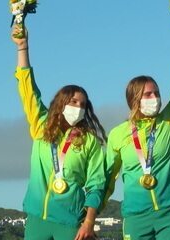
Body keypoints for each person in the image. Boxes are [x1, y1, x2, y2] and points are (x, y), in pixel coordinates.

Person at [104, 15, 170, 240]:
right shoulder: (119, 134)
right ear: (134, 99)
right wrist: (91, 215)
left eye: (157, 93)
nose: (155, 98)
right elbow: (107, 178)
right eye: (148, 94)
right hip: (135, 216)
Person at [11, 25, 107, 240]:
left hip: (70, 222)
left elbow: (96, 185)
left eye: (83, 104)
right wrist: (22, 48)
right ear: (62, 103)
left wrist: (89, 222)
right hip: (38, 219)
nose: (78, 108)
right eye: (73, 102)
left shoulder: (89, 141)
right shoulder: (41, 125)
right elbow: (28, 89)